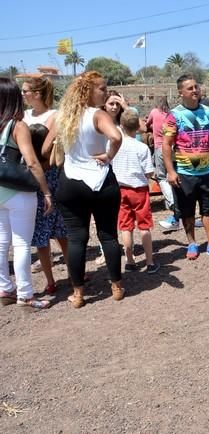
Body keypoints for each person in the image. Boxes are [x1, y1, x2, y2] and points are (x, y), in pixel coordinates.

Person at [43, 71, 124, 308]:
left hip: (70, 181)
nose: (106, 92)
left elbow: (47, 148)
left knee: (77, 239)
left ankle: (78, 294)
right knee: (108, 235)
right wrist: (108, 156)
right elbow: (116, 137)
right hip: (101, 181)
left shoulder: (65, 116)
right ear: (88, 91)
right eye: (102, 88)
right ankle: (117, 286)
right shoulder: (98, 115)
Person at [0, 78, 53, 309]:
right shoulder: (17, 125)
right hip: (19, 192)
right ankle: (26, 294)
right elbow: (31, 162)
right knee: (21, 243)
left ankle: (5, 288)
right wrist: (46, 191)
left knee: (1, 243)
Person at [162, 74, 209, 260]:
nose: (195, 90)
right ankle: (192, 243)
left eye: (196, 87)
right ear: (181, 92)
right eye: (190, 88)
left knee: (208, 209)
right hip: (184, 173)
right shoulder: (174, 115)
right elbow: (166, 145)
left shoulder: (208, 111)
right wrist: (171, 171)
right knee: (187, 212)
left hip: (205, 171)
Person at [22, 77, 68, 291]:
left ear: (37, 94)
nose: (23, 95)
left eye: (26, 91)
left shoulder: (55, 116)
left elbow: (45, 151)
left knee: (61, 229)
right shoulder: (23, 116)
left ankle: (75, 272)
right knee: (41, 232)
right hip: (30, 177)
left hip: (49, 176)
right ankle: (50, 280)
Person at [112, 110, 159, 274]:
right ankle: (150, 261)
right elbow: (148, 172)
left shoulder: (114, 144)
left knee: (126, 226)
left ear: (121, 126)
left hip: (120, 189)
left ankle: (130, 260)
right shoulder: (142, 147)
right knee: (144, 226)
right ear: (137, 126)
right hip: (139, 189)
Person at [147, 97, 181, 231]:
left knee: (161, 177)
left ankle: (173, 203)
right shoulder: (171, 113)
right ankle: (178, 202)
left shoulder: (154, 112)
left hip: (160, 147)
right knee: (172, 173)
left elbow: (146, 125)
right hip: (171, 148)